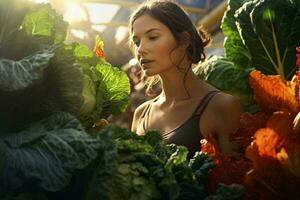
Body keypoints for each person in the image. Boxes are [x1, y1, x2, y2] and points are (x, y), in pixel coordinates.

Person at [129, 0, 242, 158]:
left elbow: (235, 179)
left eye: (153, 37)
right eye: (136, 42)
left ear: (184, 40)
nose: (140, 49)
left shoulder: (222, 107)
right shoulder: (140, 114)